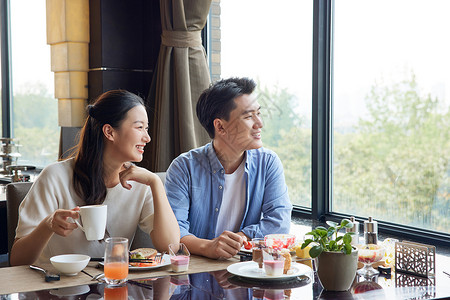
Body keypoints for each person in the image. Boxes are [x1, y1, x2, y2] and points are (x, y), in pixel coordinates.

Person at [10, 90, 180, 266]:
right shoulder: (54, 177)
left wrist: (155, 183)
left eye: (147, 128)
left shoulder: (141, 183)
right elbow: (17, 260)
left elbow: (171, 247)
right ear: (109, 132)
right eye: (139, 127)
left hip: (113, 285)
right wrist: (47, 225)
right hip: (56, 287)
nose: (147, 137)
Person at [165, 77, 292, 260]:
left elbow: (279, 222)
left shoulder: (268, 163)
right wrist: (209, 247)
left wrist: (239, 239)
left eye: (259, 113)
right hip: (195, 275)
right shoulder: (184, 168)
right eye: (248, 116)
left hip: (248, 273)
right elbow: (174, 233)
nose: (259, 123)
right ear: (220, 126)